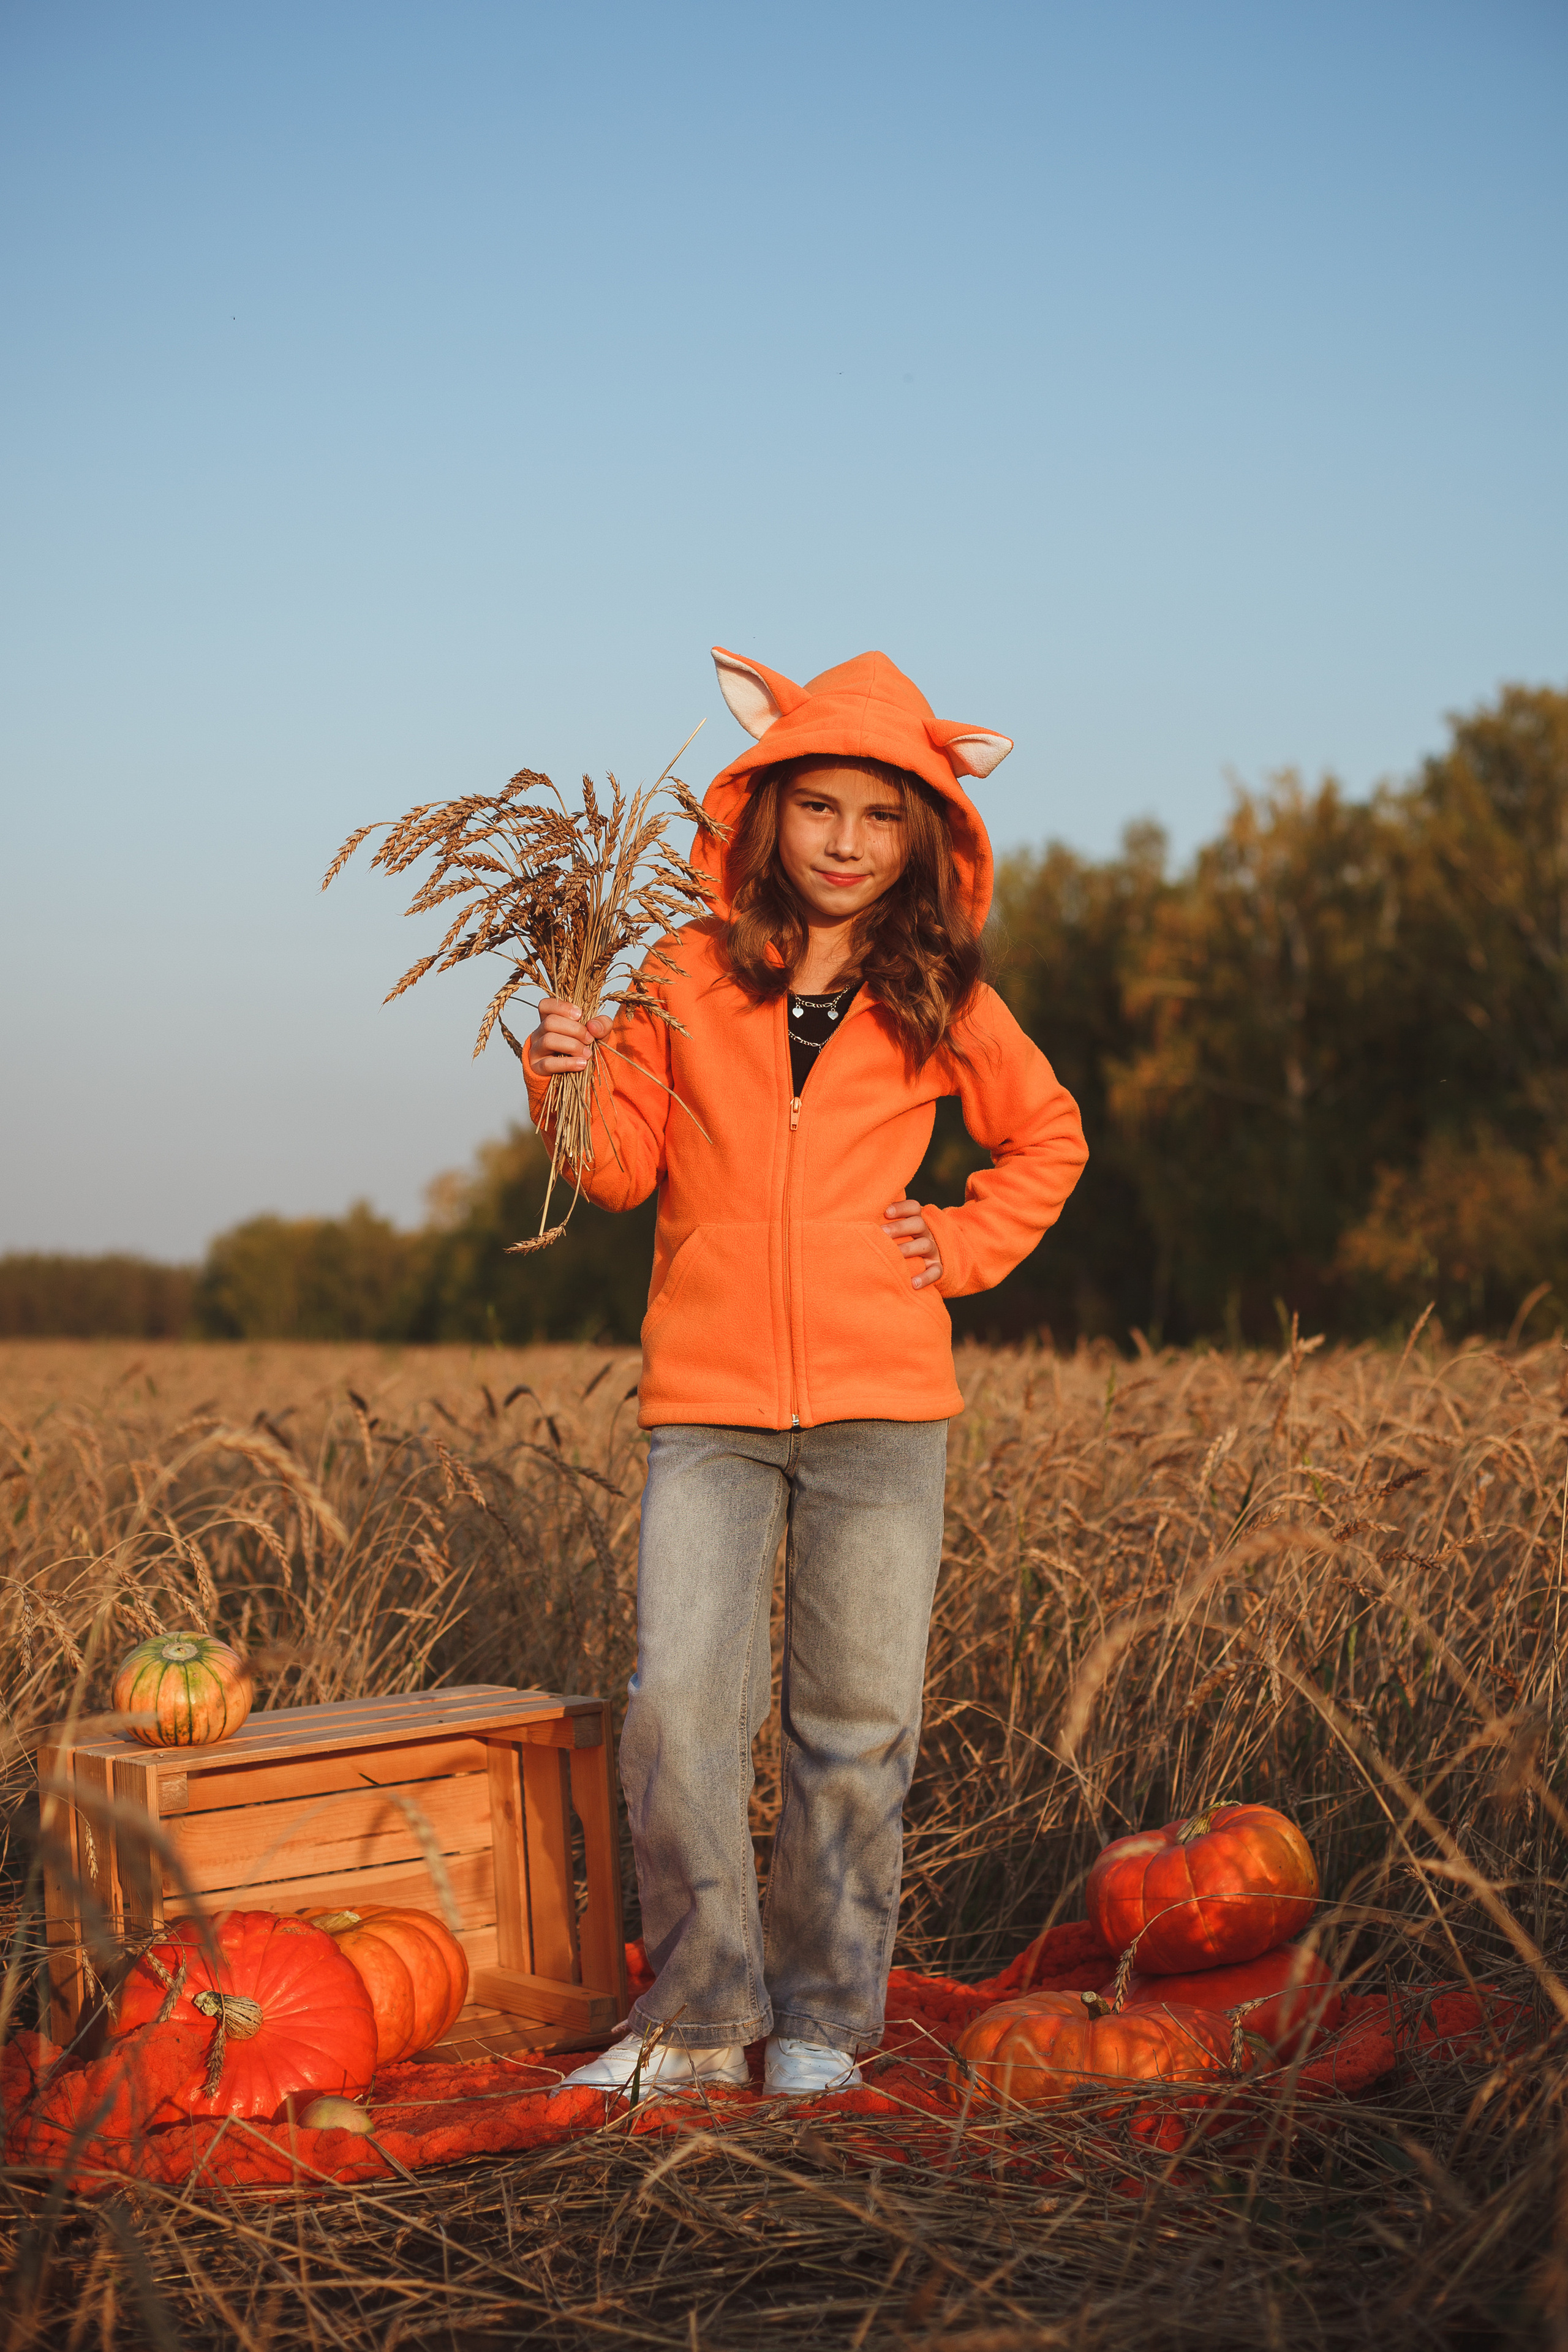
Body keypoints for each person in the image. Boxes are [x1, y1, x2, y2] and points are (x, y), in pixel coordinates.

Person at [522, 645, 1088, 2099]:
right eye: (816, 807)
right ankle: (703, 2019)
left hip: (881, 1409)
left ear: (922, 838)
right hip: (707, 1406)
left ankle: (825, 2021)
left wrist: (954, 1246)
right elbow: (620, 1171)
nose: (843, 841)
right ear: (761, 811)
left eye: (878, 815)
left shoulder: (943, 991)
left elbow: (1048, 1139)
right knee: (681, 1711)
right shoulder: (678, 972)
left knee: (854, 1722)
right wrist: (563, 1072)